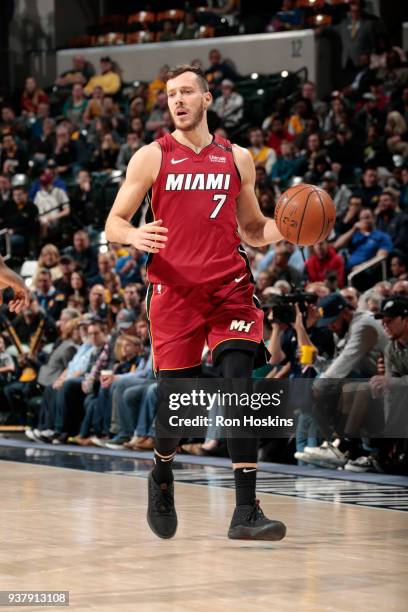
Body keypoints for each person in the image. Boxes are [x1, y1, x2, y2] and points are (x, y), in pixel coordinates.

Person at [105, 64, 287, 541]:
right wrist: (133, 233)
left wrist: (285, 227)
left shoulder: (238, 157)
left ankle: (245, 511)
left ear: (208, 99)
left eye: (187, 92)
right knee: (177, 411)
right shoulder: (151, 157)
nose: (178, 101)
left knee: (238, 386)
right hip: (174, 292)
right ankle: (162, 473)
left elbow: (252, 229)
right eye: (170, 95)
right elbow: (114, 222)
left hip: (229, 288)